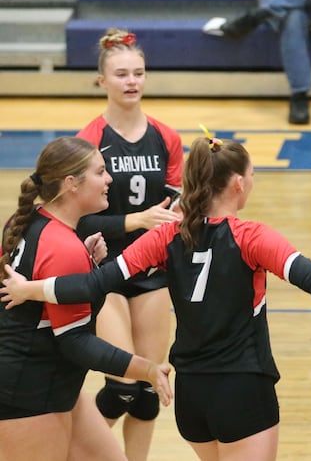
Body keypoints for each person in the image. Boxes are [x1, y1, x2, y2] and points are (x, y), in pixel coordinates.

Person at [1, 135, 311, 461]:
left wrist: (30, 289)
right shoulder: (252, 237)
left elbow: (97, 284)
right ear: (240, 184)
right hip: (242, 388)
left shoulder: (167, 234)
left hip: (192, 398)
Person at [0, 136, 172, 461]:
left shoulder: (27, 221)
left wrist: (89, 266)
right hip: (30, 391)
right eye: (100, 172)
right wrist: (145, 369)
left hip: (52, 380)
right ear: (71, 184)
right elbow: (76, 342)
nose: (109, 180)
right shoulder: (63, 247)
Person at [72, 27, 182, 461]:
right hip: (105, 271)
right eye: (121, 74)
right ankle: (80, 452)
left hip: (152, 271)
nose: (131, 81)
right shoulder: (88, 139)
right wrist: (135, 220)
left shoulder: (166, 137)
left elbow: (175, 204)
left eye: (138, 73)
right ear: (102, 81)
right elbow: (76, 220)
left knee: (150, 391)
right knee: (121, 387)